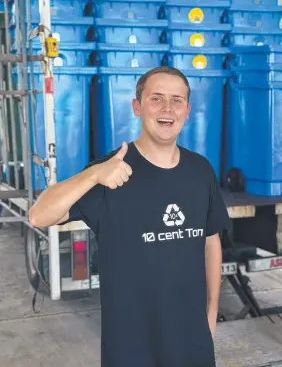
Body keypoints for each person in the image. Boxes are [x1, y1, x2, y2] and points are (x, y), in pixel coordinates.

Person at [28, 66, 232, 367]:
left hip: (193, 343)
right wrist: (93, 174)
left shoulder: (200, 170)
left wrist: (211, 313)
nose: (167, 109)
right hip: (130, 347)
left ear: (188, 111)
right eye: (156, 99)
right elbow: (38, 215)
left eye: (177, 100)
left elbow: (211, 241)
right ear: (137, 106)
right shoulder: (111, 172)